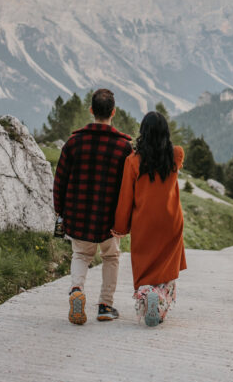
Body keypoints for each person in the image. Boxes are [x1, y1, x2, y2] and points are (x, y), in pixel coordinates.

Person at [52, 89, 133, 325]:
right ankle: (105, 305)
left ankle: (77, 289)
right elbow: (128, 187)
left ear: (91, 111)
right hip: (109, 220)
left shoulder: (74, 143)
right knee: (111, 257)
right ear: (113, 112)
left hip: (78, 216)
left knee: (81, 254)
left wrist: (60, 211)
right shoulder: (124, 147)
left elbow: (60, 181)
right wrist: (126, 219)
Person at [112, 111, 187, 327]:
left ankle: (147, 293)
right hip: (171, 222)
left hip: (144, 222)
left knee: (145, 266)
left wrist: (120, 227)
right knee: (165, 267)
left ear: (143, 132)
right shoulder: (176, 155)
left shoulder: (133, 161)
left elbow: (126, 196)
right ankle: (161, 298)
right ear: (166, 132)